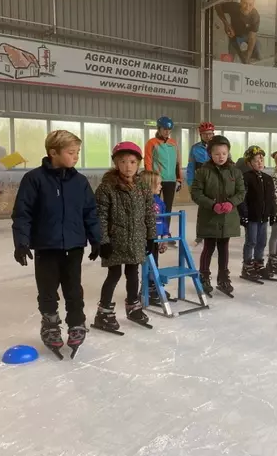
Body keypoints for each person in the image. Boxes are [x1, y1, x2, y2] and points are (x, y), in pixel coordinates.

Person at [11, 130, 101, 359]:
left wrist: (97, 240)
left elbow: (90, 212)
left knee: (74, 289)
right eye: (71, 152)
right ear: (53, 152)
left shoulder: (80, 182)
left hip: (73, 247)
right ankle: (50, 325)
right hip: (46, 247)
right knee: (48, 291)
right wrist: (22, 242)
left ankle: (77, 324)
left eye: (77, 152)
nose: (76, 157)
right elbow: (23, 213)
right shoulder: (34, 179)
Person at [93, 142, 156, 333]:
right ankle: (103, 311)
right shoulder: (106, 188)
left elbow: (149, 214)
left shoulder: (143, 187)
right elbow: (100, 216)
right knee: (114, 274)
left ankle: (133, 307)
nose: (128, 166)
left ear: (138, 164)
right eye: (123, 162)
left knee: (133, 273)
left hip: (136, 239)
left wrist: (150, 237)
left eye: (132, 162)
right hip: (115, 240)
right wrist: (102, 241)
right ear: (115, 163)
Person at [191, 135, 245, 297]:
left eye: (224, 153)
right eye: (216, 154)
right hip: (210, 217)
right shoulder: (203, 172)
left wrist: (231, 203)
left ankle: (223, 278)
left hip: (228, 217)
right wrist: (212, 205)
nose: (220, 157)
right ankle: (204, 277)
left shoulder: (235, 171)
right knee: (209, 247)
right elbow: (196, 193)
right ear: (210, 154)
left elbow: (241, 192)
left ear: (228, 153)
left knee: (224, 247)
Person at [238, 146, 276, 281]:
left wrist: (273, 213)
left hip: (264, 217)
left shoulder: (267, 178)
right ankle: (247, 266)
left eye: (261, 159)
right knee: (251, 242)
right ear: (249, 163)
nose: (259, 162)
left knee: (262, 242)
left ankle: (258, 264)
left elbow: (271, 198)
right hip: (252, 217)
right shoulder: (246, 178)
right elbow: (242, 199)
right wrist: (243, 215)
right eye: (255, 160)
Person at [144, 116, 181, 244]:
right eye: (165, 129)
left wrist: (179, 179)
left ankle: (166, 233)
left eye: (169, 129)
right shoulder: (151, 143)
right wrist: (150, 179)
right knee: (154, 207)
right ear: (159, 129)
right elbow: (147, 161)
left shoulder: (173, 143)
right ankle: (153, 230)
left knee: (167, 208)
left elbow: (177, 162)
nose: (167, 132)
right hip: (157, 180)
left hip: (170, 180)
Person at [141, 170, 172, 304]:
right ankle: (146, 289)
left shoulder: (159, 202)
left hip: (155, 238)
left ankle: (153, 288)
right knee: (147, 265)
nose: (161, 186)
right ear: (149, 185)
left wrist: (165, 236)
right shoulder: (141, 201)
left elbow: (163, 220)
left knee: (155, 263)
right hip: (144, 239)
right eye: (158, 184)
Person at [215, 0, 261, 64]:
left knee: (257, 48)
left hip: (248, 36)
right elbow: (217, 6)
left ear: (253, 4)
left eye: (250, 5)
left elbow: (252, 37)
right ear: (241, 2)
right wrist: (226, 24)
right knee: (231, 57)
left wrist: (248, 57)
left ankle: (251, 63)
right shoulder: (234, 7)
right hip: (234, 35)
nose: (247, 7)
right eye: (245, 3)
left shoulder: (255, 16)